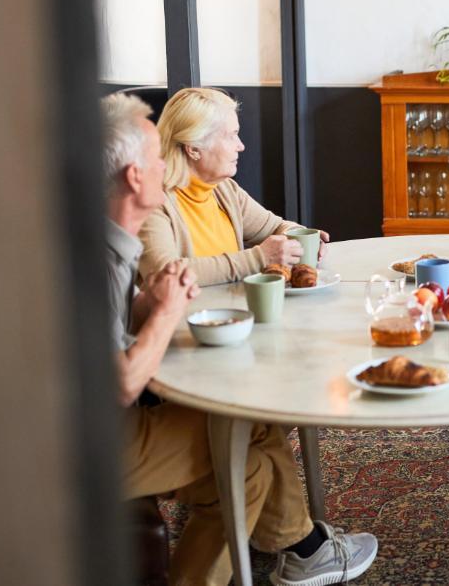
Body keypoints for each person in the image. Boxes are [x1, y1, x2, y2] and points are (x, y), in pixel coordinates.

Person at [102, 92, 377, 585]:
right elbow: (123, 376)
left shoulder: (199, 204)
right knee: (250, 439)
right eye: (151, 157)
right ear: (135, 175)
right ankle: (305, 547)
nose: (242, 145)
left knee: (250, 455)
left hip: (183, 368)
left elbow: (138, 309)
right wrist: (167, 307)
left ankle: (301, 546)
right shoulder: (109, 248)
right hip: (94, 438)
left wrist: (302, 238)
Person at [138, 87, 328, 286]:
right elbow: (163, 274)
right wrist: (258, 258)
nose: (241, 145)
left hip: (235, 314)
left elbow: (276, 227)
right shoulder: (149, 200)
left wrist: (303, 238)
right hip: (183, 316)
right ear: (194, 148)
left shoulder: (224, 190)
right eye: (231, 136)